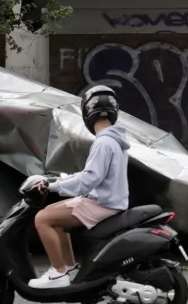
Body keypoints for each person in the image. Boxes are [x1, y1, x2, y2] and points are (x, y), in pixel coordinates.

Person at [28, 85, 131, 289]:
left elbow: (90, 179)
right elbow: (96, 175)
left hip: (103, 203)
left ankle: (57, 273)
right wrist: (63, 179)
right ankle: (69, 268)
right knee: (56, 218)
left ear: (87, 113)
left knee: (42, 218)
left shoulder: (103, 142)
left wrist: (54, 187)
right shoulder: (115, 140)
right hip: (110, 200)